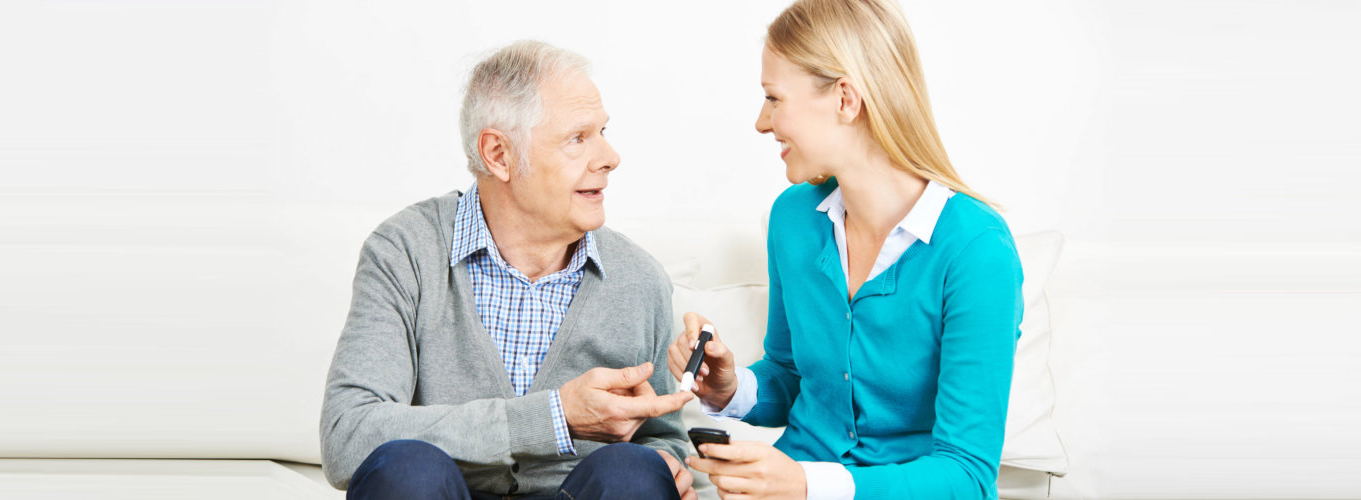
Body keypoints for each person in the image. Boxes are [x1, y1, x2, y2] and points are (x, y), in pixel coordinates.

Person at [673, 1, 1024, 498]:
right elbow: (793, 375)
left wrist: (808, 485)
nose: (760, 122)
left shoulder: (976, 251)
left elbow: (967, 475)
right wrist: (731, 388)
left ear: (845, 99)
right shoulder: (793, 219)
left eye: (774, 98)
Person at [321, 40, 697, 500]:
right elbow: (347, 437)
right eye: (578, 138)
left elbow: (663, 435)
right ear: (499, 154)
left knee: (633, 473)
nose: (609, 157)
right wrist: (552, 417)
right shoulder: (405, 252)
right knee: (407, 470)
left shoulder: (638, 278)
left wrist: (666, 461)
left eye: (603, 131)